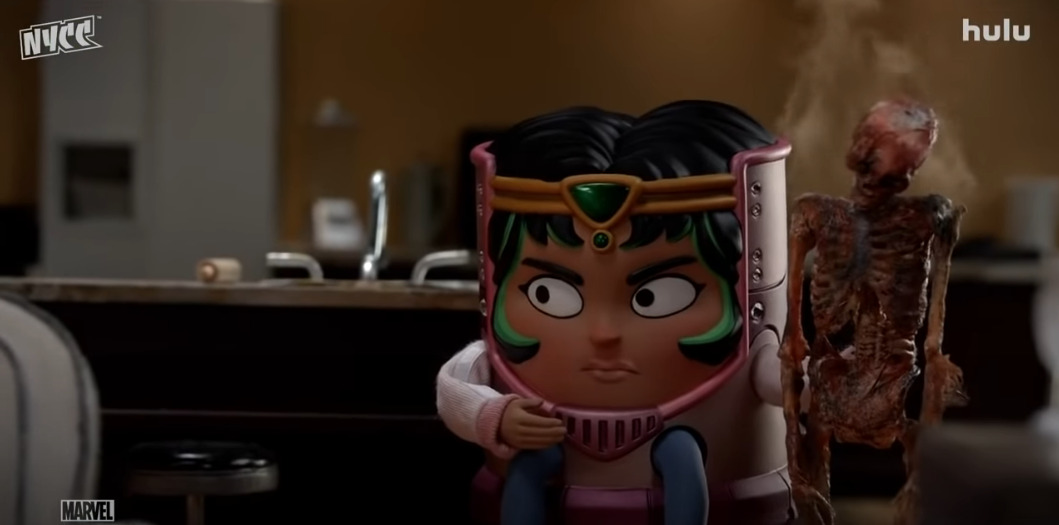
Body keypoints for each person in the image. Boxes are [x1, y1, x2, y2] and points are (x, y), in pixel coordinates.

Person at [437, 100, 795, 525]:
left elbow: (797, 386)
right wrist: (494, 417)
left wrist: (836, 382)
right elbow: (453, 392)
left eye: (658, 296)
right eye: (548, 294)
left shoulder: (756, 354)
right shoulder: (488, 361)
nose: (603, 333)